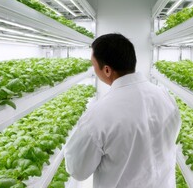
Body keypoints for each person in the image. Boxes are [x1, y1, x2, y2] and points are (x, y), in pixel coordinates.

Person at [64, 33, 181, 188]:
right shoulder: (165, 97)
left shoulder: (99, 114)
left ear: (107, 70)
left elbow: (78, 170)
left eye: (93, 65)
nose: (93, 70)